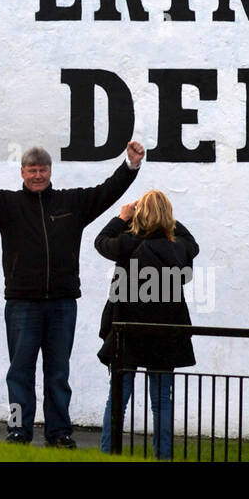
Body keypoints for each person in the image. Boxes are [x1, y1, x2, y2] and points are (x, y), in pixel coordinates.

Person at [0, 138, 145, 447]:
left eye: (42, 170)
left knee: (58, 375)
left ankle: (60, 433)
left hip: (62, 305)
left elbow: (106, 191)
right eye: (31, 170)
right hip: (21, 305)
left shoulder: (73, 204)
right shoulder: (7, 206)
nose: (37, 175)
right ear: (22, 173)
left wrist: (130, 165)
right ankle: (17, 430)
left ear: (50, 171)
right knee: (19, 374)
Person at [95, 190, 198, 459]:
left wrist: (122, 218)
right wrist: (165, 219)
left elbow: (101, 241)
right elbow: (192, 243)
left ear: (138, 215)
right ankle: (163, 456)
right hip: (166, 331)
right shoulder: (178, 246)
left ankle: (108, 453)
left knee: (118, 399)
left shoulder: (129, 243)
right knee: (162, 401)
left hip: (127, 330)